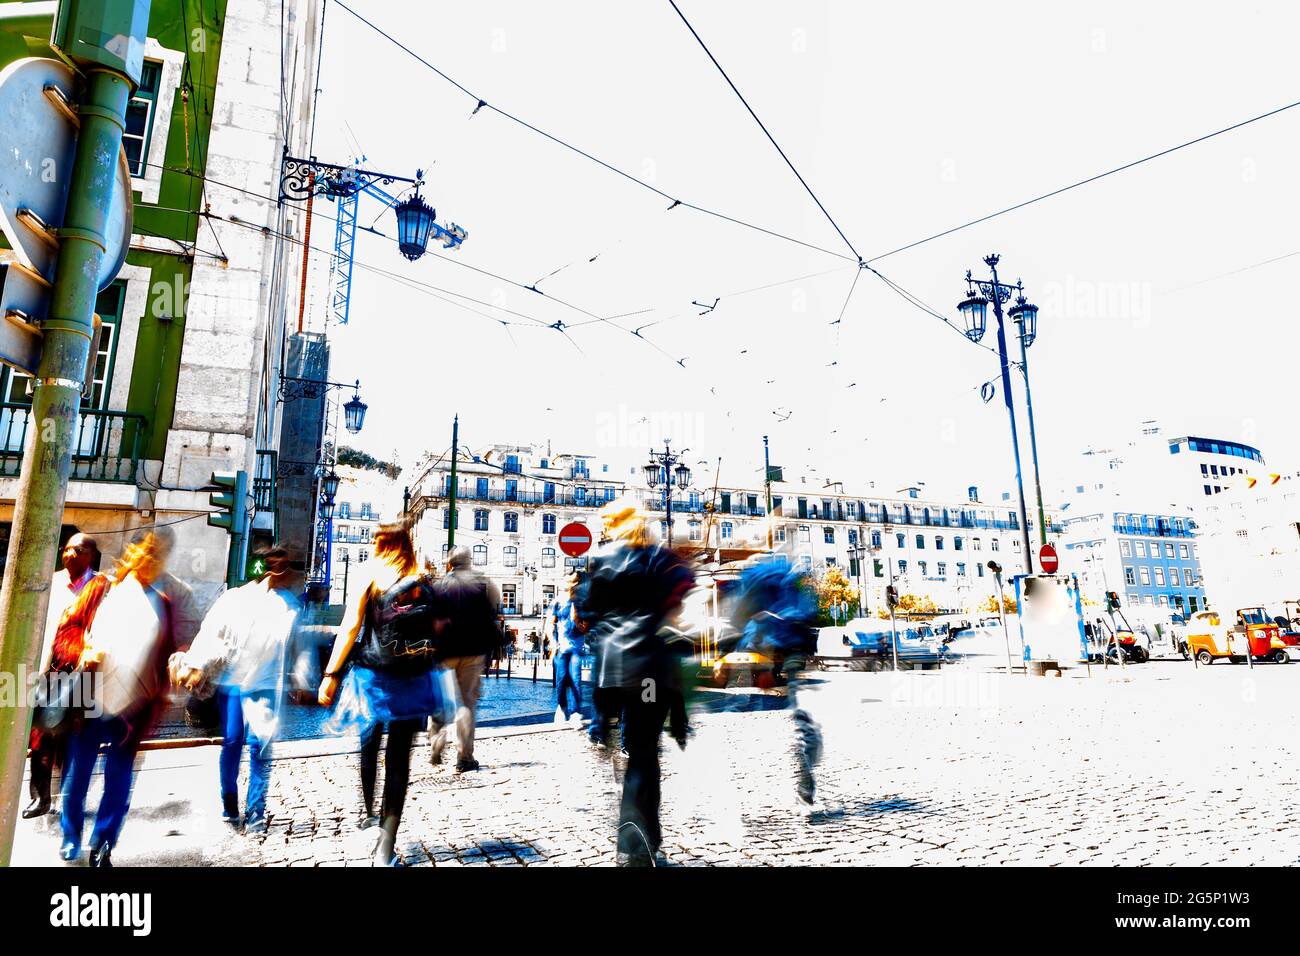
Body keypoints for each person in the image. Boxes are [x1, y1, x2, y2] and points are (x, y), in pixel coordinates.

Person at [575, 499, 693, 867]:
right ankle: (638, 843)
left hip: (610, 671)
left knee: (630, 752)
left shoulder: (600, 561)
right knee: (643, 755)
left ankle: (639, 836)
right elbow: (681, 592)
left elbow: (586, 612)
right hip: (647, 669)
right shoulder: (657, 559)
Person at [318, 520, 443, 867]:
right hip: (416, 679)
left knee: (369, 742)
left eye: (375, 538)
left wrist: (330, 674)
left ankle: (369, 808)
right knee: (400, 762)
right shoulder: (423, 577)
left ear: (382, 543)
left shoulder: (369, 573)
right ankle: (386, 848)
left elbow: (350, 627)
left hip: (375, 676)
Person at [59, 532, 173, 867]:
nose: (152, 561)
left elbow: (164, 654)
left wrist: (169, 679)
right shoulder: (101, 591)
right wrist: (85, 654)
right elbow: (70, 632)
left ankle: (104, 844)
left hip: (132, 708)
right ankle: (70, 835)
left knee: (119, 781)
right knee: (78, 775)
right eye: (146, 553)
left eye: (158, 556)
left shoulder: (162, 602)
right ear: (132, 555)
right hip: (91, 700)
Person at [169, 546, 302, 833]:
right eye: (273, 565)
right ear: (263, 567)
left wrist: (302, 679)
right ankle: (229, 802)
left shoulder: (290, 605)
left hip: (266, 685)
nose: (278, 572)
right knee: (232, 742)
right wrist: (194, 664)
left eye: (284, 566)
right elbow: (211, 634)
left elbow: (296, 646)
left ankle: (256, 811)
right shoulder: (235, 598)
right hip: (233, 684)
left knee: (259, 746)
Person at [24, 534, 111, 819]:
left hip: (86, 673)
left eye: (78, 550)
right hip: (52, 669)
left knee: (75, 736)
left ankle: (70, 799)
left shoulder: (104, 586)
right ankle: (41, 797)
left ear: (90, 555)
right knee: (40, 735)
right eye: (67, 549)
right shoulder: (52, 582)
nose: (70, 554)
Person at [730, 555, 823, 810]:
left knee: (798, 714)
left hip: (770, 651)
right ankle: (806, 766)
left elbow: (743, 622)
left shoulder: (753, 583)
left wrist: (760, 666)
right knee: (803, 714)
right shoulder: (788, 579)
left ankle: (804, 766)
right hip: (792, 652)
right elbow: (809, 610)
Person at [429, 546, 501, 772]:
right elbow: (494, 612)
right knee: (466, 702)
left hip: (444, 652)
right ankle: (464, 757)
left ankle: (435, 741)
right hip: (473, 652)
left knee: (442, 699)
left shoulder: (438, 585)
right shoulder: (483, 584)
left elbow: (430, 618)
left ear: (449, 563)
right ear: (469, 562)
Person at [550, 575, 587, 725]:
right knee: (560, 681)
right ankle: (562, 707)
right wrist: (553, 642)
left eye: (576, 582)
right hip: (561, 648)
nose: (573, 585)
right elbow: (550, 623)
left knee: (576, 680)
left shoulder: (582, 604)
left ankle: (576, 712)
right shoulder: (558, 602)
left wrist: (577, 621)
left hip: (575, 649)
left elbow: (586, 629)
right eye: (571, 581)